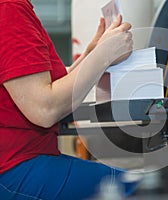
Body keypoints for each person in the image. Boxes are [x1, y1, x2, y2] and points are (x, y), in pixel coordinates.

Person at [0, 0, 137, 199]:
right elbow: (44, 109)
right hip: (13, 169)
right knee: (140, 189)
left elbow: (36, 84)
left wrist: (92, 54)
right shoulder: (8, 7)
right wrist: (103, 56)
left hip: (20, 162)